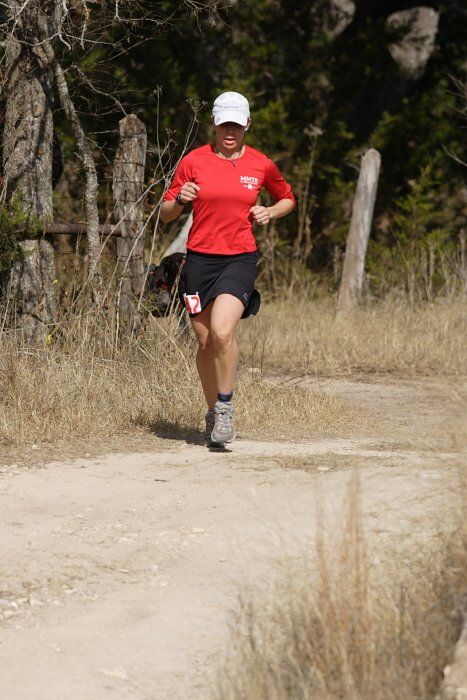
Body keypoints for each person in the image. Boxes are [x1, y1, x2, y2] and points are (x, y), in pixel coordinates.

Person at [160, 91, 296, 447]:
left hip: (239, 259)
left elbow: (288, 198)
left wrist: (269, 212)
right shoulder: (193, 161)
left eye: (237, 123)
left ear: (247, 124)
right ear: (215, 125)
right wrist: (179, 199)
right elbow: (165, 212)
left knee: (222, 332)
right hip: (198, 261)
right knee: (204, 343)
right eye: (224, 124)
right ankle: (211, 413)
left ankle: (225, 407)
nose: (230, 130)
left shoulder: (260, 164)